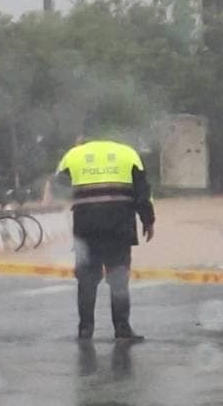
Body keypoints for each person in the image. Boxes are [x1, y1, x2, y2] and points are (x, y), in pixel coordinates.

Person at [55, 131, 155, 342]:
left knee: (86, 281)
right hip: (119, 227)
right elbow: (142, 195)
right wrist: (148, 221)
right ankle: (122, 329)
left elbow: (58, 188)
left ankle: (85, 330)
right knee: (118, 280)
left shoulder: (73, 155)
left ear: (85, 136)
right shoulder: (128, 154)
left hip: (86, 228)